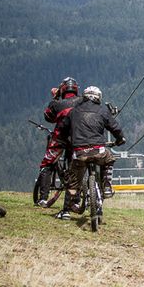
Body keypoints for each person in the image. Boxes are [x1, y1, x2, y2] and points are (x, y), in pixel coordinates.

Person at [57, 86, 125, 220]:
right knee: (109, 159)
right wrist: (120, 139)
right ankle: (106, 185)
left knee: (73, 183)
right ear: (98, 98)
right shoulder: (103, 111)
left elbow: (61, 130)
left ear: (84, 97)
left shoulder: (73, 112)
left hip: (79, 152)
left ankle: (65, 211)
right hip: (98, 150)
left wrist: (66, 142)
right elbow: (115, 128)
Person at [35, 77, 80, 207]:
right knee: (76, 168)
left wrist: (55, 98)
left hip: (59, 138)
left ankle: (43, 198)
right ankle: (75, 200)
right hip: (78, 139)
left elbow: (48, 117)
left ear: (62, 90)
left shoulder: (57, 104)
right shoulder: (82, 101)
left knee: (47, 164)